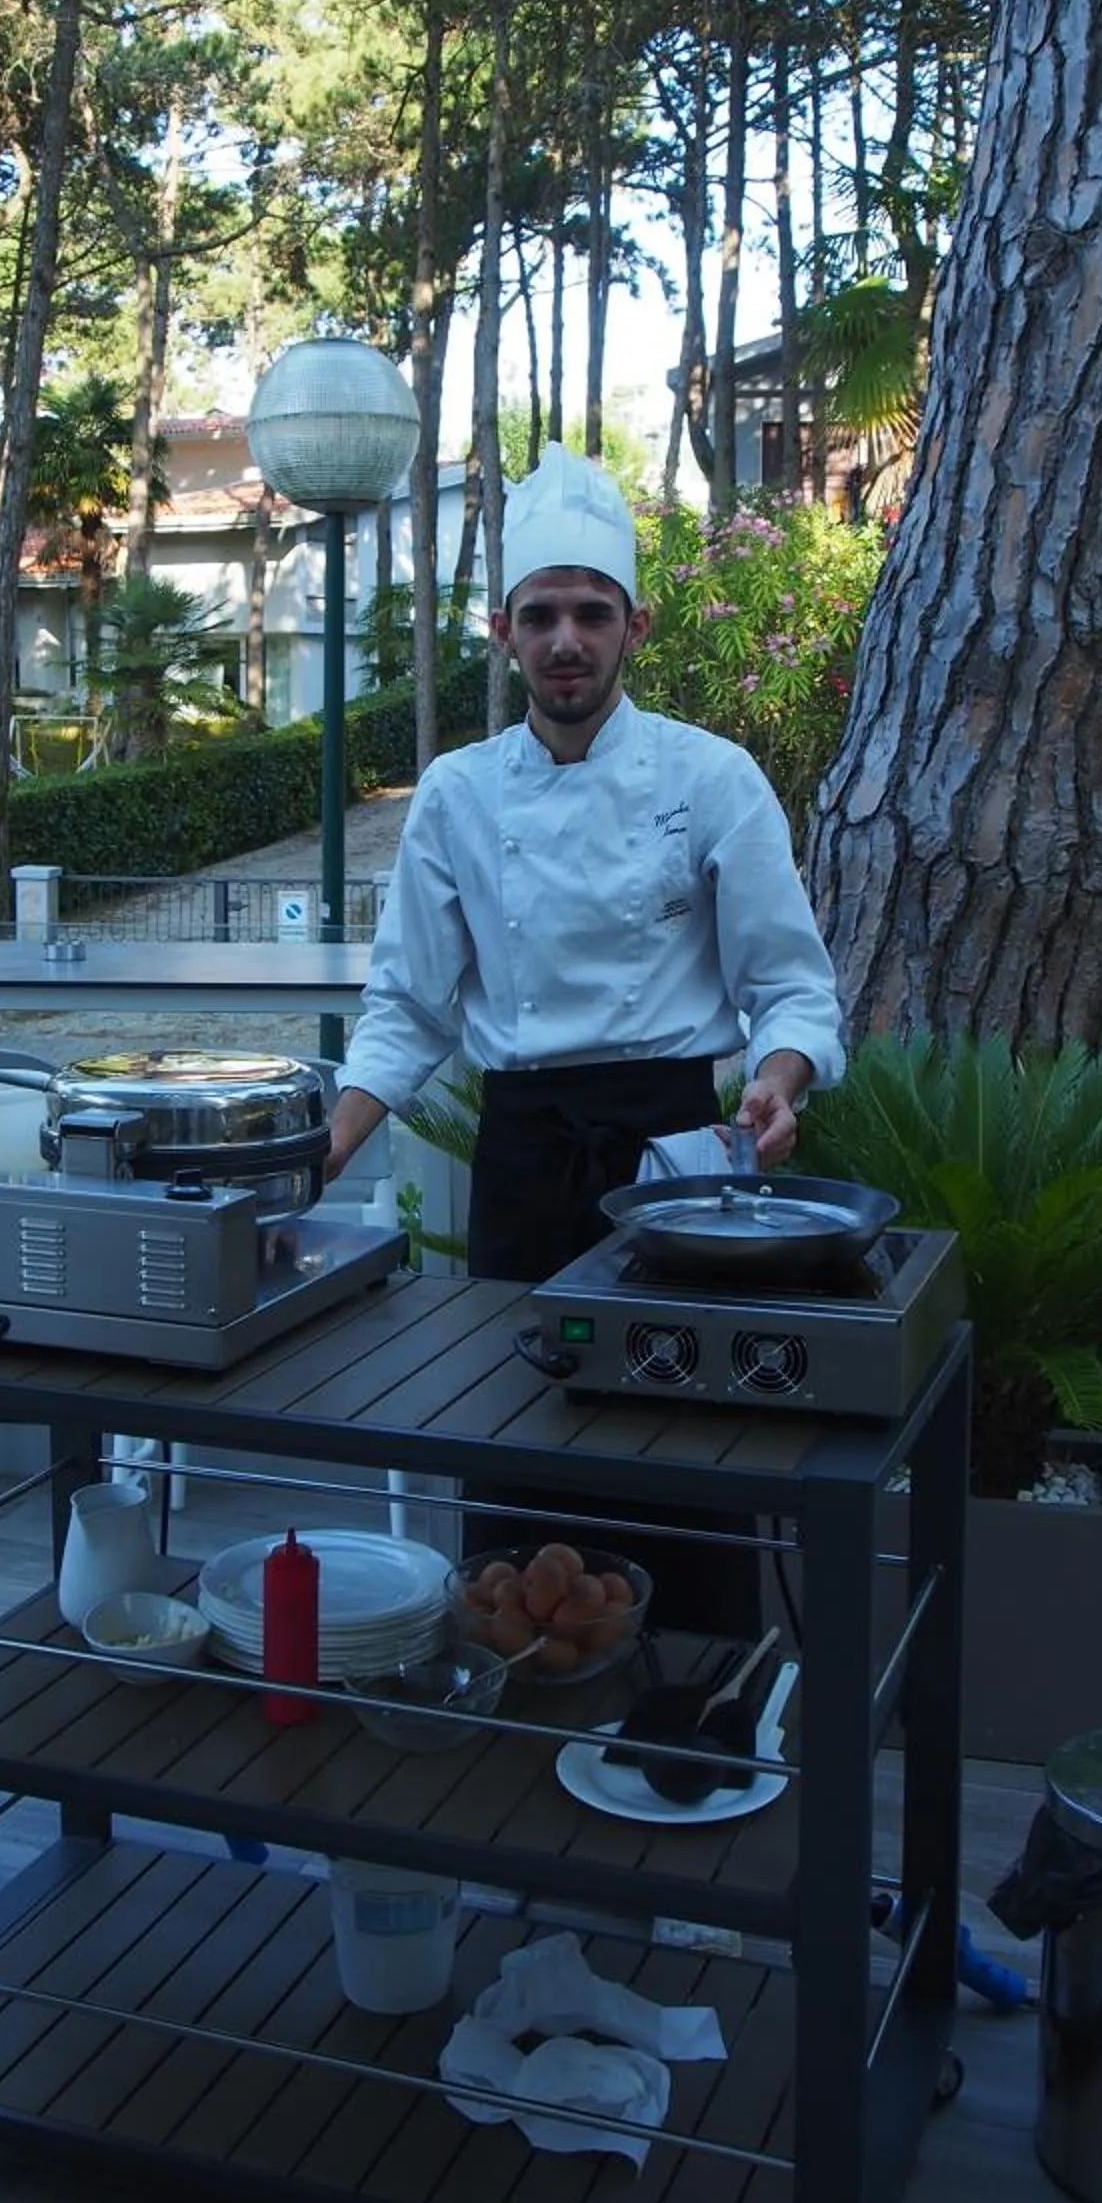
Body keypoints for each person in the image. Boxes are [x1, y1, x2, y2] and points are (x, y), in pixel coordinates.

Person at [324, 442, 844, 1633]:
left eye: (591, 614)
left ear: (634, 627)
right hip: (520, 1158)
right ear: (502, 632)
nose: (567, 639)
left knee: (687, 1443)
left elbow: (791, 985)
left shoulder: (713, 779)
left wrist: (776, 1079)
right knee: (518, 1440)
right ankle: (516, 1703)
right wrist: (323, 1152)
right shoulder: (455, 795)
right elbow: (407, 1005)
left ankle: (703, 1706)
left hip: (677, 1158)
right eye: (542, 615)